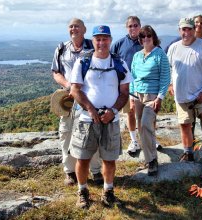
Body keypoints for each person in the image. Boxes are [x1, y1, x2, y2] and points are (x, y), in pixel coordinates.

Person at [70, 25, 132, 209]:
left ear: (110, 40)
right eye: (98, 38)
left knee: (109, 159)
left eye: (105, 39)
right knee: (82, 158)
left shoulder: (119, 63)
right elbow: (75, 90)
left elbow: (124, 92)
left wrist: (113, 110)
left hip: (110, 119)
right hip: (87, 119)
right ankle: (82, 191)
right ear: (93, 40)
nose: (101, 42)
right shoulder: (83, 62)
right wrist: (90, 109)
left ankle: (108, 191)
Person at [51, 18, 102, 186]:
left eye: (77, 26)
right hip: (67, 99)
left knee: (92, 134)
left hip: (89, 98)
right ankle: (70, 171)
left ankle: (95, 171)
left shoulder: (92, 47)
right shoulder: (61, 48)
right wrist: (69, 85)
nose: (74, 29)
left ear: (84, 29)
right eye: (71, 26)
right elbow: (56, 72)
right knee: (66, 133)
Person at [167, 18, 202, 162]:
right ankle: (188, 153)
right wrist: (170, 84)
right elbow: (168, 68)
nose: (187, 32)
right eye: (184, 29)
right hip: (181, 94)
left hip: (201, 92)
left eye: (189, 29)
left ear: (194, 30)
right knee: (185, 124)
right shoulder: (174, 48)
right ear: (179, 30)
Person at [130, 25, 170, 176]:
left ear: (153, 37)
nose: (146, 39)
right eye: (143, 37)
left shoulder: (160, 54)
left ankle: (152, 160)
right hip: (137, 95)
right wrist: (132, 97)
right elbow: (132, 77)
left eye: (149, 36)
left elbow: (165, 78)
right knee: (141, 128)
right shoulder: (137, 56)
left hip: (152, 96)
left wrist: (160, 97)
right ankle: (148, 158)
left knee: (146, 125)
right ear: (140, 39)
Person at [111, 16, 144, 155]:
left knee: (146, 114)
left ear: (140, 26)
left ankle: (150, 139)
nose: (133, 28)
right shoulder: (119, 44)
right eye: (130, 26)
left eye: (135, 25)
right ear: (127, 28)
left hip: (144, 85)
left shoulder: (146, 41)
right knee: (130, 113)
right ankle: (133, 140)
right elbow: (110, 62)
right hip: (125, 86)